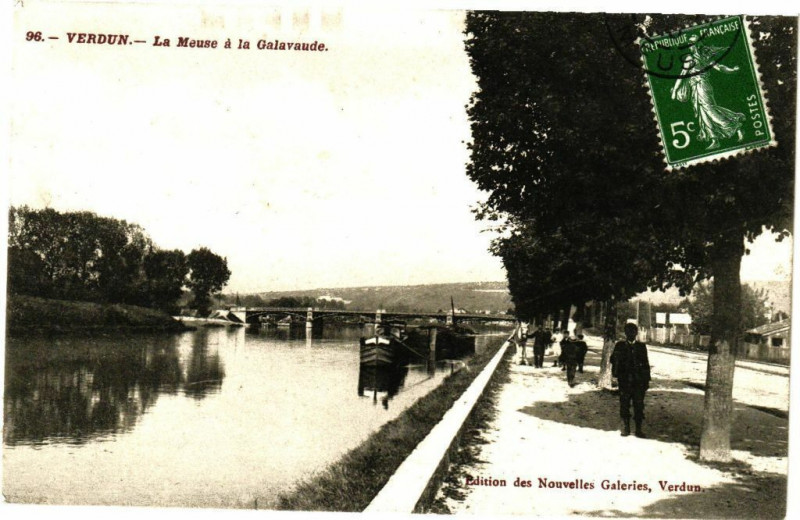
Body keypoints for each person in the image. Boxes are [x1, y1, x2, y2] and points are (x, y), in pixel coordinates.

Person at [670, 35, 745, 151]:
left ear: (698, 44)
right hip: (696, 88)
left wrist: (732, 70)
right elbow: (682, 74)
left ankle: (735, 125)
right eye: (690, 44)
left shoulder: (702, 57)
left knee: (709, 109)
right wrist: (675, 90)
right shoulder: (694, 58)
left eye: (693, 43)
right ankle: (714, 139)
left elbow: (719, 67)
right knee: (703, 112)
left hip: (702, 86)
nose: (692, 46)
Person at [611, 323, 651, 438]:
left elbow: (645, 364)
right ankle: (626, 428)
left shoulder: (641, 347)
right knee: (624, 405)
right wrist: (615, 372)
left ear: (636, 333)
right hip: (624, 382)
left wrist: (647, 380)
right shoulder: (620, 345)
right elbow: (613, 360)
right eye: (628, 332)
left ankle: (638, 429)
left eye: (633, 332)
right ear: (625, 333)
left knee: (639, 405)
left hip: (639, 382)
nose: (631, 334)